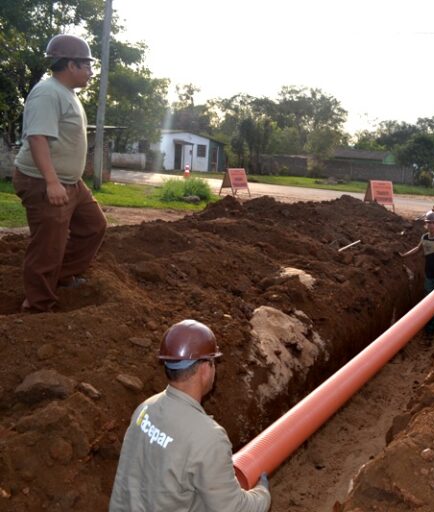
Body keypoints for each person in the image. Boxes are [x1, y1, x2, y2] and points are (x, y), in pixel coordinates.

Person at [109, 320, 272, 512]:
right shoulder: (208, 437)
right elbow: (233, 509)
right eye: (213, 362)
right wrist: (263, 494)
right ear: (204, 368)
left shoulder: (145, 409)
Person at [13, 34, 107, 313]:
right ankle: (38, 305)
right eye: (87, 65)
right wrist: (52, 183)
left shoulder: (67, 94)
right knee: (48, 246)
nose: (91, 72)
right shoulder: (47, 92)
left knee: (93, 226)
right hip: (43, 181)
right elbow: (37, 137)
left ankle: (61, 276)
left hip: (70, 183)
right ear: (70, 64)